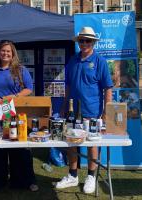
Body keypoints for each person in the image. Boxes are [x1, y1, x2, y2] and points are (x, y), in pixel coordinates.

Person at [56, 27, 113, 194]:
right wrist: (64, 105)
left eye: (88, 40)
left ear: (93, 42)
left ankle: (90, 176)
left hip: (92, 111)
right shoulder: (72, 60)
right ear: (78, 42)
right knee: (71, 143)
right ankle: (73, 175)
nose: (85, 43)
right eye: (82, 40)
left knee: (91, 144)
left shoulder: (100, 61)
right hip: (73, 112)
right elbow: (67, 85)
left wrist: (106, 112)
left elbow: (107, 88)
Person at [0, 40, 38, 192]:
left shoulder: (20, 70)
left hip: (15, 113)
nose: (5, 53)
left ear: (13, 54)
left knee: (19, 148)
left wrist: (16, 96)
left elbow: (29, 89)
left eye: (9, 51)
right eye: (3, 51)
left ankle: (22, 181)